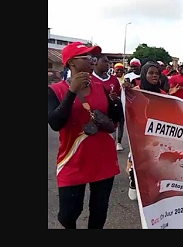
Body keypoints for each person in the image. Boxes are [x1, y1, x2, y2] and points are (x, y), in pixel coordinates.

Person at [47, 42, 121, 229]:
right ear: (71, 62)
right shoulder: (55, 90)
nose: (92, 61)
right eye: (87, 58)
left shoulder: (101, 87)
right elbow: (55, 123)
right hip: (73, 159)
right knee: (68, 215)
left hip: (103, 158)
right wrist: (72, 91)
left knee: (99, 211)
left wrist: (115, 104)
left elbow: (115, 119)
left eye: (93, 58)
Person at [122, 62, 179, 200]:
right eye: (151, 73)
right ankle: (133, 180)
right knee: (138, 162)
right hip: (139, 133)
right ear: (143, 74)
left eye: (157, 73)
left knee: (155, 163)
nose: (154, 76)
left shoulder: (162, 94)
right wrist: (125, 91)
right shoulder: (135, 91)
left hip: (157, 135)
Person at [92, 55, 124, 151]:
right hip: (94, 119)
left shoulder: (114, 80)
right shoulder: (89, 78)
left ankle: (118, 142)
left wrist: (115, 99)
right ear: (95, 62)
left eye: (108, 62)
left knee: (108, 146)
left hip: (110, 120)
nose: (108, 64)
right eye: (104, 61)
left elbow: (119, 97)